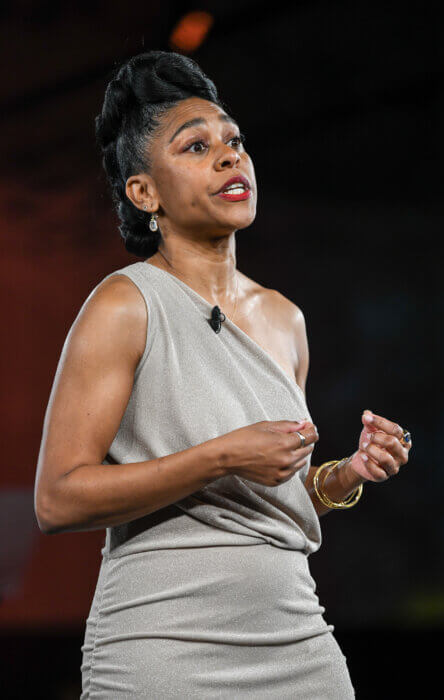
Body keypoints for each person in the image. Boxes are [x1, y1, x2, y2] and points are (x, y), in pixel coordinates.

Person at [34, 50, 412, 698]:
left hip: (296, 645)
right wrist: (221, 456)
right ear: (144, 192)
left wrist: (344, 475)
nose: (229, 156)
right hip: (162, 651)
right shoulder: (125, 304)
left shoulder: (284, 318)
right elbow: (58, 499)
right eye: (195, 146)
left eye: (234, 141)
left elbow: (273, 498)